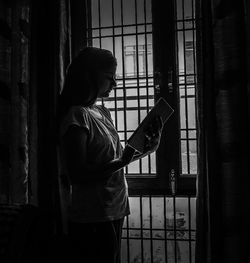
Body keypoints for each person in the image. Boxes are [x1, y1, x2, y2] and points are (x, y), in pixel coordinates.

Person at [57, 46, 163, 263]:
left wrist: (147, 149)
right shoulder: (77, 115)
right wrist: (123, 160)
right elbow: (78, 174)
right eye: (109, 77)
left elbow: (117, 160)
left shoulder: (102, 112)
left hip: (115, 208)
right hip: (92, 216)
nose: (114, 83)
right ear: (90, 78)